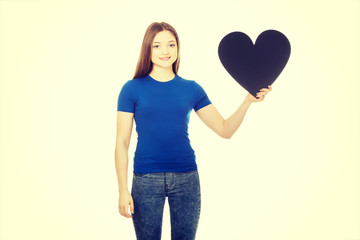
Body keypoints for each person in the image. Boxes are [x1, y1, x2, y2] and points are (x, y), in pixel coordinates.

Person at [115, 22, 272, 240]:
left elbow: (225, 130)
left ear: (178, 48)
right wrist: (123, 190)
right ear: (147, 49)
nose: (165, 51)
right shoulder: (131, 89)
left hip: (186, 178)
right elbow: (121, 143)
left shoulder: (191, 88)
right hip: (145, 179)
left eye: (171, 44)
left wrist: (247, 101)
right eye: (157, 46)